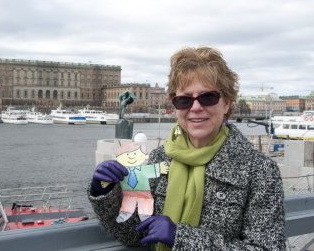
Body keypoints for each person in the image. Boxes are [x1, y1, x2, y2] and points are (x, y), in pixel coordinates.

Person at [88, 46, 285, 250]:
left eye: (208, 97)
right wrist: (104, 190)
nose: (196, 107)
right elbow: (134, 233)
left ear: (226, 103)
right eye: (184, 100)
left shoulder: (260, 171)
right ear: (175, 108)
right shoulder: (160, 158)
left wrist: (180, 237)